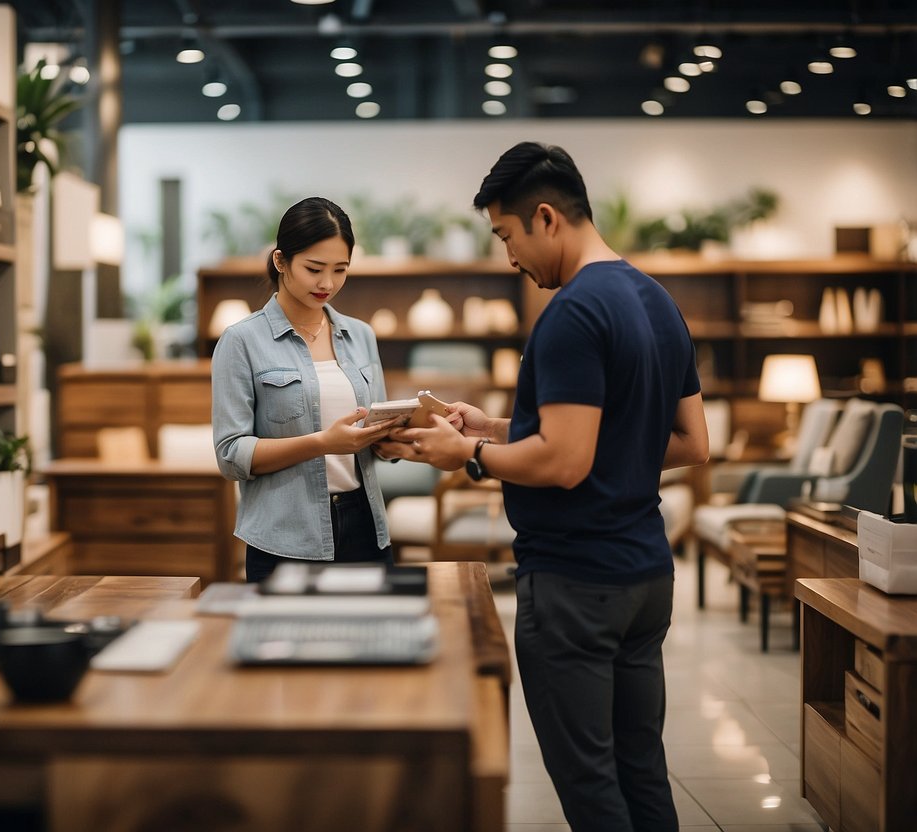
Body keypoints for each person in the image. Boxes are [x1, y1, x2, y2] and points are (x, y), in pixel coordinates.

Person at [383, 142, 709, 831]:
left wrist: (467, 452)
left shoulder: (569, 314)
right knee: (639, 767)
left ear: (543, 218)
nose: (508, 257)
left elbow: (565, 462)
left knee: (589, 784)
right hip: (644, 577)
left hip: (575, 584)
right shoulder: (654, 300)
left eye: (506, 236)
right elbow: (687, 444)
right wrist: (499, 427)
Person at [212, 196, 400, 583]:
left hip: (365, 527)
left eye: (340, 270)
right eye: (314, 269)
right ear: (281, 261)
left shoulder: (360, 336)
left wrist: (399, 436)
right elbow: (231, 455)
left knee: (372, 642)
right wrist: (322, 443)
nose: (327, 284)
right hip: (284, 537)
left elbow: (372, 435)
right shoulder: (242, 341)